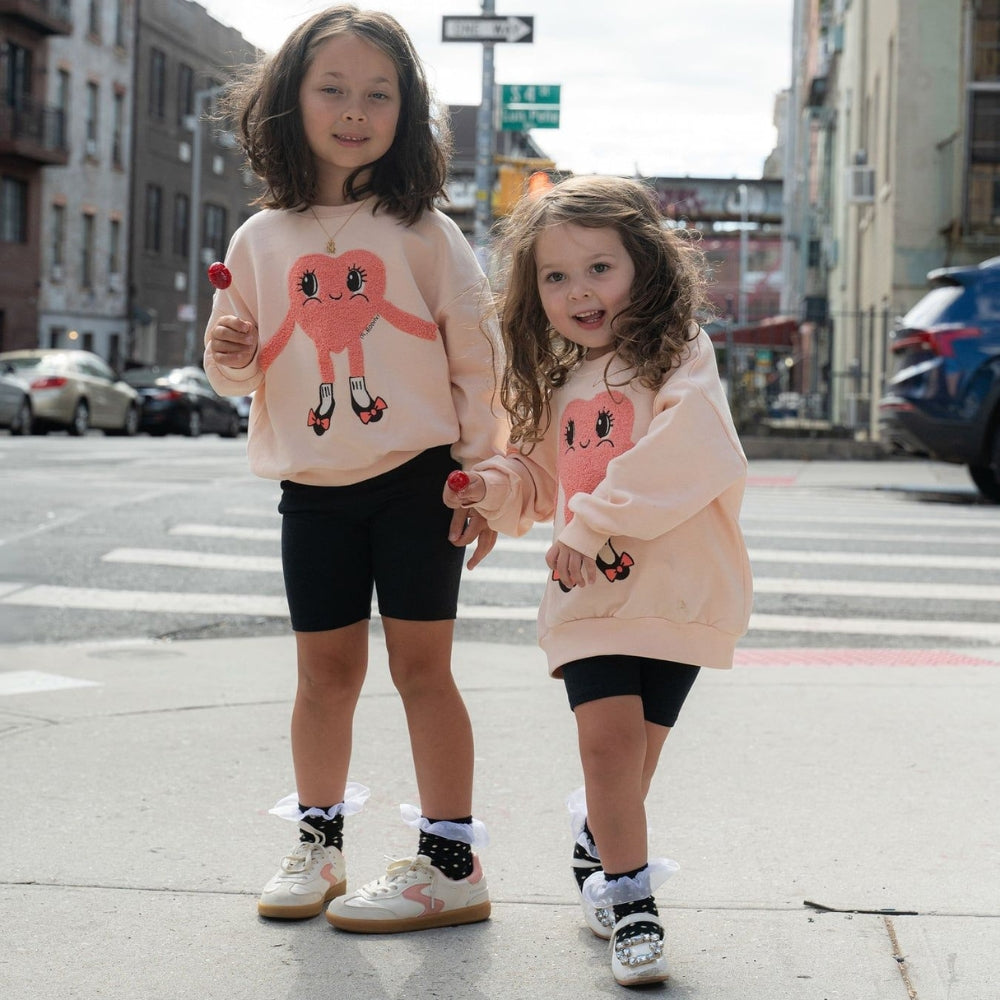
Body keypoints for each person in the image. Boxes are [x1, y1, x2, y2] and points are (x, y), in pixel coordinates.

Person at [203, 5, 507, 934]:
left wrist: (483, 472)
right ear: (289, 101)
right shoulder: (259, 239)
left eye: (378, 94)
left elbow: (477, 358)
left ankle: (451, 865)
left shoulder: (425, 232)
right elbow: (240, 370)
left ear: (406, 111)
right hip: (313, 492)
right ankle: (319, 846)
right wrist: (227, 352)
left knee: (424, 671)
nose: (353, 110)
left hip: (421, 481)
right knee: (322, 677)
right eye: (331, 88)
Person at [443, 175, 752, 986]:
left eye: (599, 269)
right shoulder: (557, 385)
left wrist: (592, 522)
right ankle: (633, 902)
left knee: (631, 764)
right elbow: (536, 479)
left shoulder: (679, 357)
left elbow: (694, 450)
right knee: (608, 745)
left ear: (645, 265)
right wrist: (488, 489)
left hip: (677, 594)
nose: (578, 292)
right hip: (588, 600)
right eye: (555, 276)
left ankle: (599, 847)